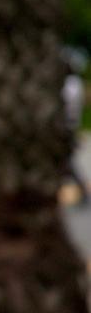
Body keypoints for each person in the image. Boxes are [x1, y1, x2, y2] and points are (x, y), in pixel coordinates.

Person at [62, 63, 89, 206]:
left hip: (65, 126)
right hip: (73, 124)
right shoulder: (77, 83)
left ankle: (83, 190)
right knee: (67, 161)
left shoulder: (68, 85)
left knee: (67, 162)